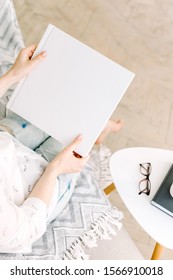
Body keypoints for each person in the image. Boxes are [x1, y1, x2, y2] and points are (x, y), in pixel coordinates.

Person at [0, 45, 123, 253]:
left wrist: (14, 74)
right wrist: (55, 169)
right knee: (75, 139)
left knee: (51, 113)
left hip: (8, 145)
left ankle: (97, 128)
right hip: (35, 190)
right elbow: (30, 226)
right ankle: (97, 132)